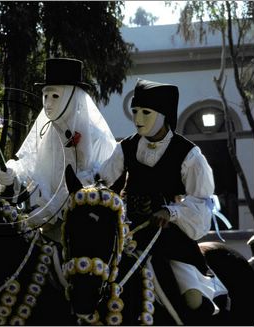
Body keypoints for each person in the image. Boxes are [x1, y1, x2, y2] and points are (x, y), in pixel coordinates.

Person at [97, 79, 228, 322]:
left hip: (168, 236)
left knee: (193, 300)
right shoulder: (124, 148)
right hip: (128, 233)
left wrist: (171, 212)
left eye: (146, 112)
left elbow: (201, 201)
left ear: (164, 115)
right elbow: (101, 183)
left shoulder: (189, 154)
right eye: (135, 112)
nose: (138, 118)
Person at [0, 58, 116, 242]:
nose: (47, 103)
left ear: (71, 96)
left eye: (55, 96)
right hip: (46, 231)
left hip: (86, 232)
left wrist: (54, 208)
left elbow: (102, 182)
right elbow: (30, 169)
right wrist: (11, 175)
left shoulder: (97, 138)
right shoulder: (44, 134)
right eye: (45, 96)